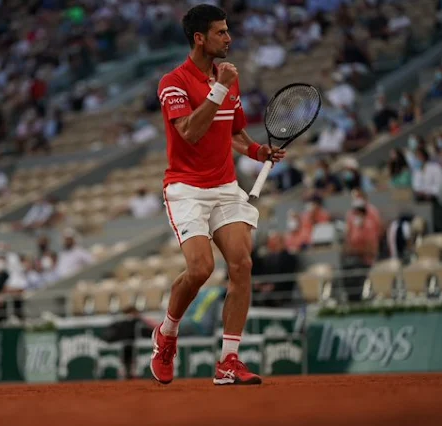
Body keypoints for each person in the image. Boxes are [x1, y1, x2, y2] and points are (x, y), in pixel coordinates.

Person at [151, 4, 284, 387]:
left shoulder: (228, 78)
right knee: (200, 269)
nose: (229, 38)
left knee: (241, 264)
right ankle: (167, 335)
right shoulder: (172, 82)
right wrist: (220, 87)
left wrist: (259, 151)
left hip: (225, 186)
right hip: (186, 188)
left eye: (228, 31)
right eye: (221, 32)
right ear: (200, 38)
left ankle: (229, 360)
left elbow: (234, 133)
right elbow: (190, 132)